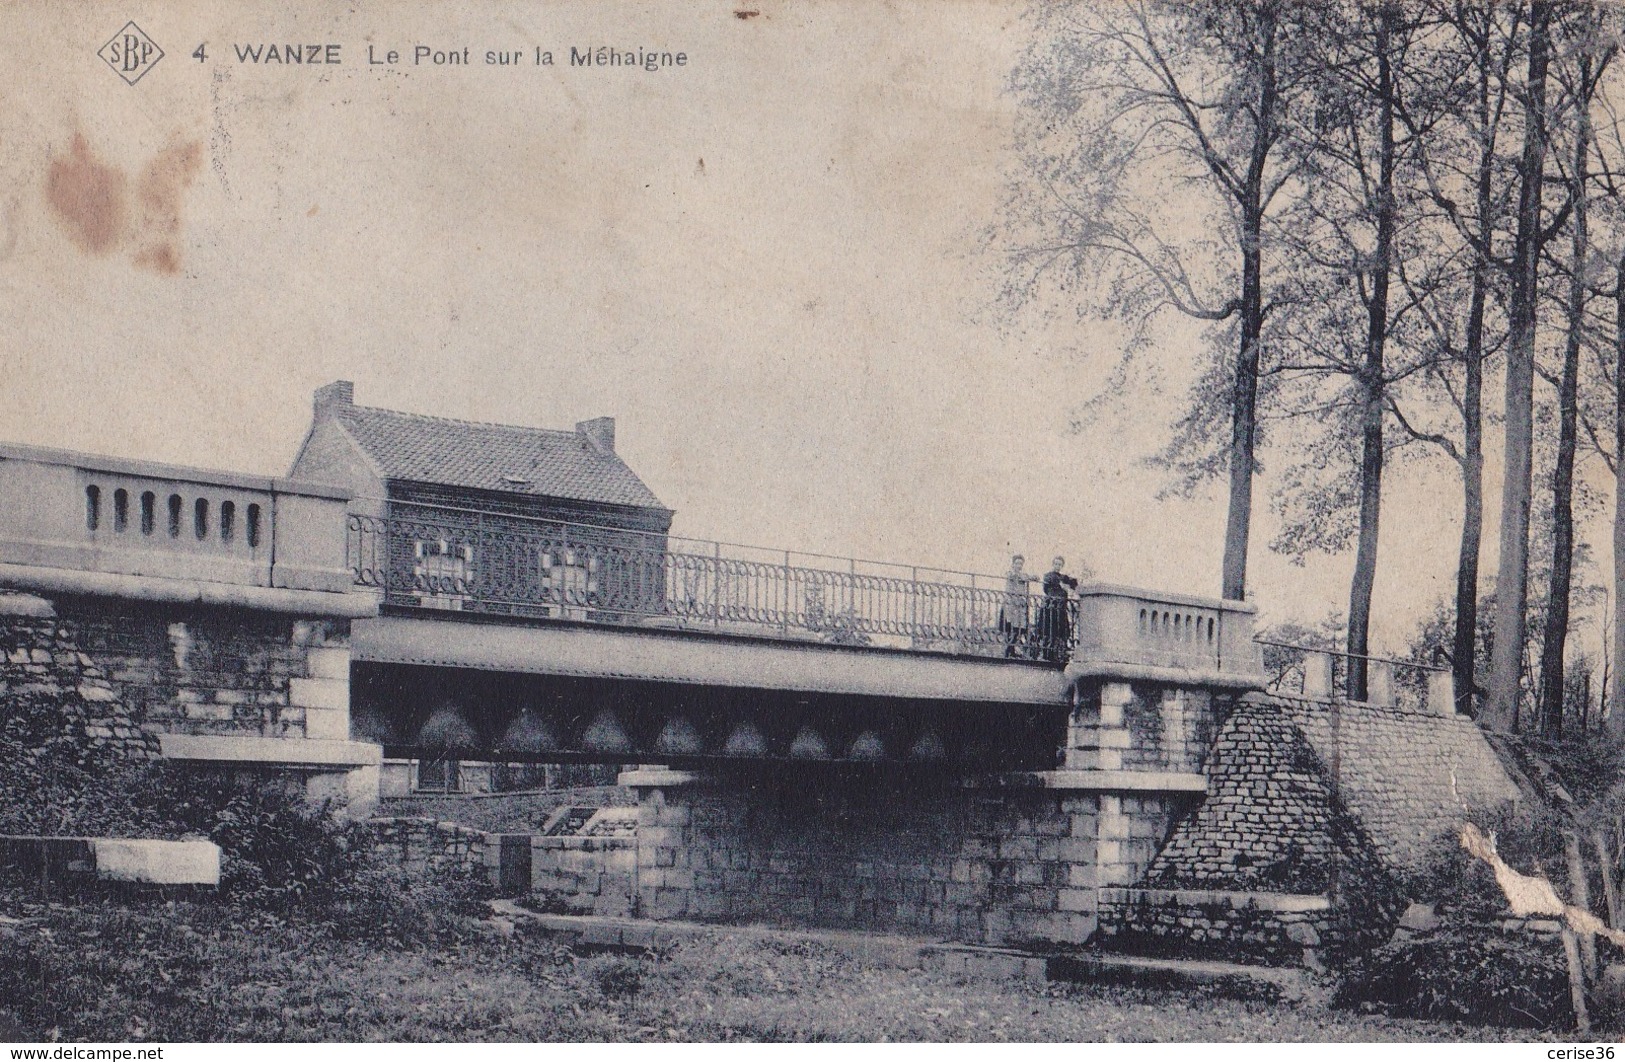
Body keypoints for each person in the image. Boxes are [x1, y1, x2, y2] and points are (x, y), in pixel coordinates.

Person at [1038, 556, 1079, 662]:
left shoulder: (1064, 577)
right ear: (1053, 564)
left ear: (1062, 566)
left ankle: (1059, 653)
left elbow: (1074, 583)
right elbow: (1047, 587)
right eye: (1056, 564)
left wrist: (1067, 582)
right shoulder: (1048, 575)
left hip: (1061, 608)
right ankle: (1047, 653)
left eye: (1060, 564)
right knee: (1048, 630)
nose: (1057, 566)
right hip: (1050, 607)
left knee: (1060, 631)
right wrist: (1063, 583)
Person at [1000, 554, 1037, 657]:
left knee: (1019, 628)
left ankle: (1012, 649)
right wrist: (1026, 577)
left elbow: (1034, 578)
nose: (1019, 565)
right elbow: (1011, 576)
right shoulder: (1010, 573)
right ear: (1013, 564)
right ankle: (1009, 650)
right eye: (1017, 563)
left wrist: (1031, 577)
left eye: (1021, 563)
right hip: (1010, 604)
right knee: (1010, 627)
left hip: (1020, 605)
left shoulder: (1023, 575)